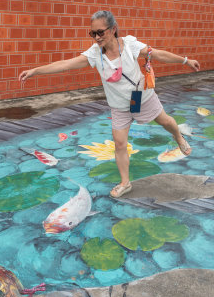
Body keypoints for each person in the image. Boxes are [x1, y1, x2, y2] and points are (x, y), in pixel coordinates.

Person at [19, 10, 200, 198]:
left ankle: (178, 137)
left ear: (113, 29)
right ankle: (125, 183)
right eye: (93, 33)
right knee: (120, 144)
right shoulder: (95, 53)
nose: (97, 37)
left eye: (100, 32)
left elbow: (158, 55)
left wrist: (186, 61)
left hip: (141, 97)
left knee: (165, 121)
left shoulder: (129, 45)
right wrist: (35, 71)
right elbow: (65, 64)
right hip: (119, 106)